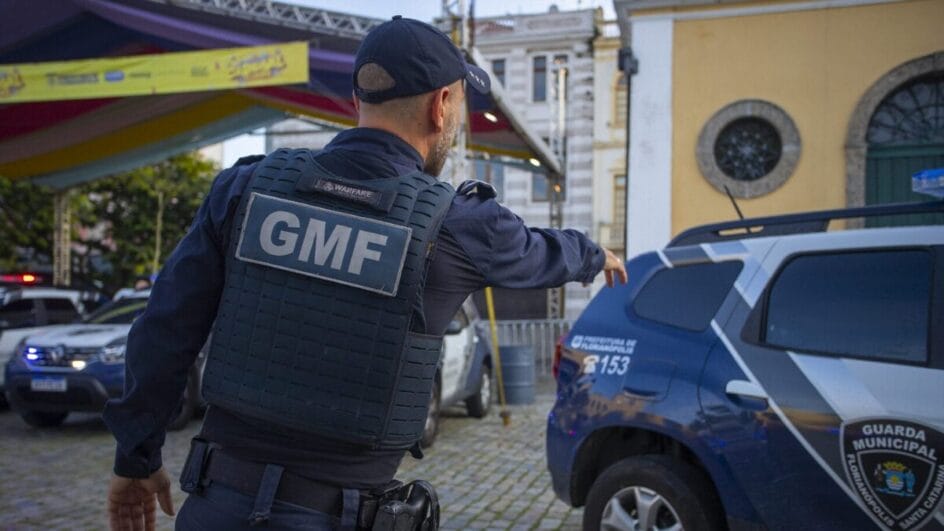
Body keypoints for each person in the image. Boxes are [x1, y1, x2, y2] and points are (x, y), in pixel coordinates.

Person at [103, 16, 627, 531]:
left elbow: (164, 330)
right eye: (461, 105)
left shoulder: (245, 189)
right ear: (441, 106)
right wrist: (595, 255)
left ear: (359, 101)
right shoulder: (463, 225)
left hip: (217, 505)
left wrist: (136, 458)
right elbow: (541, 254)